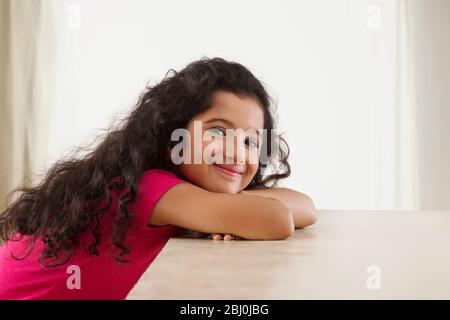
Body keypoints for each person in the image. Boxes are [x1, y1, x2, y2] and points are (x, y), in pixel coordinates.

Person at [0, 57, 317, 299]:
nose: (237, 151)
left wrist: (230, 210)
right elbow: (277, 218)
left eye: (250, 141)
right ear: (171, 139)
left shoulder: (182, 191)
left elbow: (305, 207)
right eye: (219, 131)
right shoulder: (149, 186)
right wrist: (236, 212)